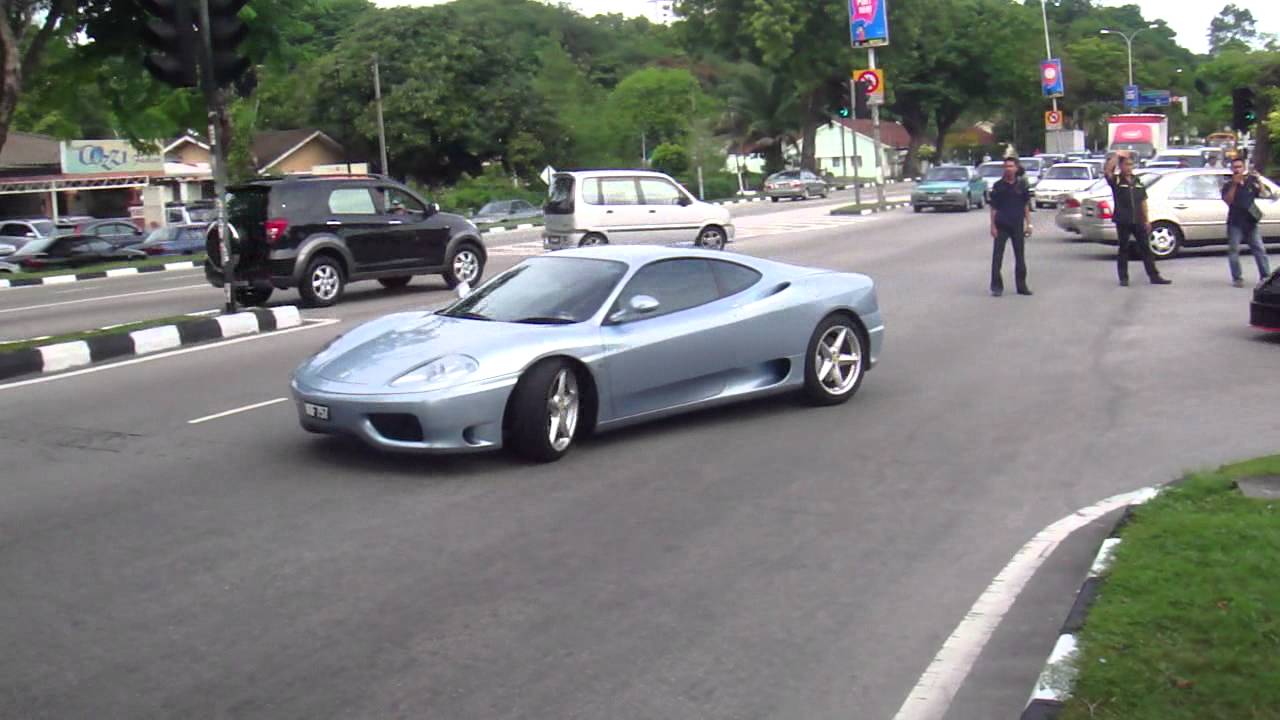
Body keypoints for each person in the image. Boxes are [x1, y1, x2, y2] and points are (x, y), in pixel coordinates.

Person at [1103, 151, 1171, 287]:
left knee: (1146, 248)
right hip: (1123, 220)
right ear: (1121, 166)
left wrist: (1146, 220)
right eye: (1126, 164)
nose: (1129, 167)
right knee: (1124, 249)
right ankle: (1124, 278)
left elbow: (1143, 201)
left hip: (1138, 220)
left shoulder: (1137, 181)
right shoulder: (1116, 180)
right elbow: (1107, 170)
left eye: (1131, 164)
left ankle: (1154, 276)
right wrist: (1117, 155)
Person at [1221, 156, 1273, 287]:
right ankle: (1237, 278)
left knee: (1259, 249)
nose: (1237, 170)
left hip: (1250, 222)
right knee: (1234, 250)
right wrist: (1234, 184)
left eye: (1239, 167)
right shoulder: (1228, 184)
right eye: (1235, 167)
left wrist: (1259, 179)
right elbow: (1228, 200)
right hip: (1235, 222)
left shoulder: (1250, 181)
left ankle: (1265, 276)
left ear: (1243, 168)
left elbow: (1264, 194)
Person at [987, 156, 1033, 296]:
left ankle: (1021, 286)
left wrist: (1029, 224)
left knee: (1020, 257)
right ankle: (996, 286)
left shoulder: (1022, 185)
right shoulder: (998, 186)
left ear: (1016, 168)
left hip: (1017, 224)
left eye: (1011, 166)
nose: (1009, 169)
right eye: (1006, 166)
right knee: (997, 257)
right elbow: (993, 208)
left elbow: (1026, 206)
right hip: (1002, 224)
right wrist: (993, 226)